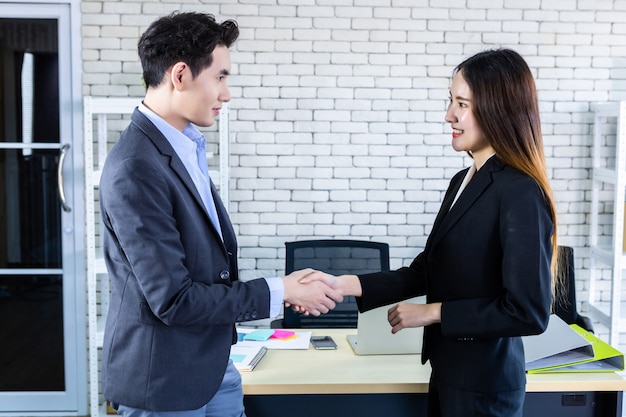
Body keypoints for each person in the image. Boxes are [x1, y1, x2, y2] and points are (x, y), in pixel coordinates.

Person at [98, 11, 342, 417]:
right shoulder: (136, 166)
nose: (226, 94)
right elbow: (173, 299)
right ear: (180, 75)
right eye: (221, 77)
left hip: (212, 365)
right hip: (165, 381)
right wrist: (281, 291)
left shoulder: (183, 146)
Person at [300, 48, 559, 417]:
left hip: (485, 388)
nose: (449, 115)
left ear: (499, 110)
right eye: (451, 101)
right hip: (449, 372)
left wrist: (432, 312)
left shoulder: (519, 191)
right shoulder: (463, 181)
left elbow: (528, 313)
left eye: (462, 104)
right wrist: (344, 285)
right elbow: (427, 269)